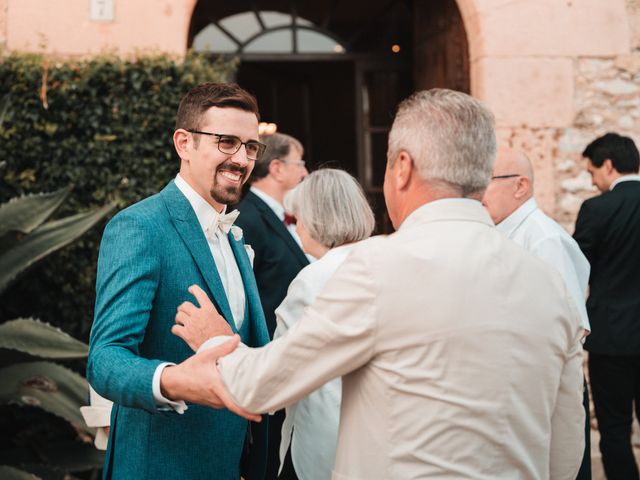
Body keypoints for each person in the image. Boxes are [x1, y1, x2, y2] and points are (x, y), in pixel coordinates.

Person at [163, 89, 585, 479]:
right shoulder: (550, 284)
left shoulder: (376, 268)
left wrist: (215, 341)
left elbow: (259, 388)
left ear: (402, 168)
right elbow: (566, 456)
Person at [86, 83, 270, 480]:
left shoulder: (235, 239)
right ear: (184, 143)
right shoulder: (140, 226)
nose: (241, 159)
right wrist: (173, 380)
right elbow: (105, 359)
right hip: (162, 467)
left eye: (251, 147)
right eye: (226, 142)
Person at [482, 146, 592, 479]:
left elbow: (570, 325)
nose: (476, 192)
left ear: (521, 186)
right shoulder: (503, 233)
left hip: (547, 390)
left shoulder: (544, 240)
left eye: (486, 180)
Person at [273, 168, 375, 479]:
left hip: (325, 439)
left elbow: (278, 371)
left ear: (317, 218)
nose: (297, 225)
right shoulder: (384, 262)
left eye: (297, 217)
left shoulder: (312, 280)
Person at [233, 132, 310, 479]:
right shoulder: (247, 218)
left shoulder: (284, 216)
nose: (305, 172)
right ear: (277, 168)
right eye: (300, 163)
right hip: (264, 358)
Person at [573, 132, 640, 480]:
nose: (593, 180)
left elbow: (575, 268)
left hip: (612, 338)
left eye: (592, 172)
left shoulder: (596, 209)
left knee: (614, 429)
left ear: (609, 166)